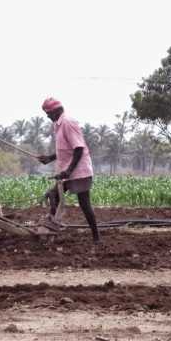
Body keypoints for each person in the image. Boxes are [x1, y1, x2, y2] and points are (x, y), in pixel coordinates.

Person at [37, 97, 100, 243]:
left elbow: (78, 148)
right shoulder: (58, 124)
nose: (47, 116)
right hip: (67, 170)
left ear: (57, 110)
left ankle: (96, 237)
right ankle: (51, 227)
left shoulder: (68, 123)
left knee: (84, 204)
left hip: (79, 170)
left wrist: (69, 171)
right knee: (53, 195)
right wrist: (49, 158)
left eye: (48, 113)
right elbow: (65, 149)